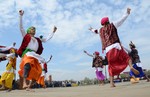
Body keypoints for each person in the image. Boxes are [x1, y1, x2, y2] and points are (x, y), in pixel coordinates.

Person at [89, 8, 139, 87]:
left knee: (111, 66)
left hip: (108, 50)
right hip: (116, 47)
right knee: (127, 58)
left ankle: (112, 83)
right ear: (108, 21)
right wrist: (127, 13)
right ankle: (131, 66)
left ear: (102, 24)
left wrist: (91, 29)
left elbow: (95, 31)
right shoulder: (113, 25)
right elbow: (122, 19)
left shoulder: (100, 30)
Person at [17, 10, 57, 91]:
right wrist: (21, 16)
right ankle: (25, 83)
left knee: (38, 72)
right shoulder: (26, 36)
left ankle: (29, 87)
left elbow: (46, 39)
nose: (33, 30)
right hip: (27, 54)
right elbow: (21, 28)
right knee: (27, 64)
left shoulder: (38, 39)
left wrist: (53, 32)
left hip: (35, 55)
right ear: (28, 31)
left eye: (34, 29)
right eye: (32, 29)